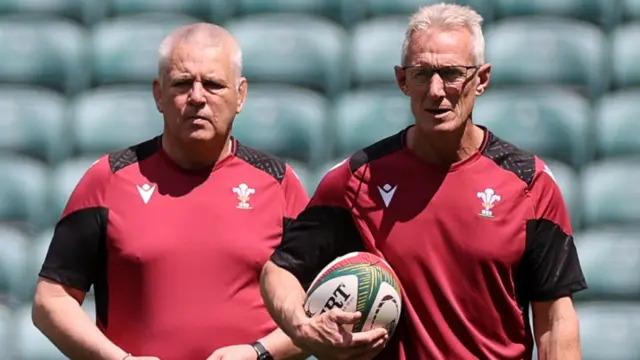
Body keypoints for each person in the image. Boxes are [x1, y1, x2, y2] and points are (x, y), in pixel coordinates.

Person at [260, 3, 587, 360]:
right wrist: (302, 328)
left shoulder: (530, 183)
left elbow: (555, 319)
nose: (435, 90)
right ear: (402, 80)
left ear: (481, 79)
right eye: (422, 74)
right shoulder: (358, 179)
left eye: (451, 73)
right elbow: (279, 271)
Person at [32, 23, 310, 360]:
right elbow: (52, 300)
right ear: (158, 94)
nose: (197, 97)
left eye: (213, 84)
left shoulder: (280, 184)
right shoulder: (107, 180)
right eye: (182, 84)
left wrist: (260, 353)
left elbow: (315, 310)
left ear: (241, 95)